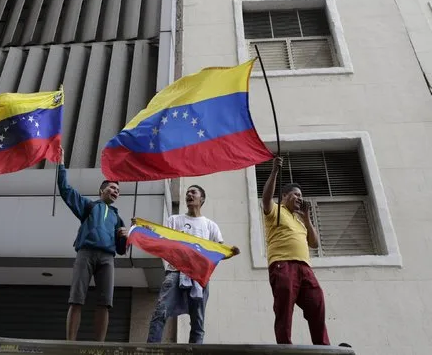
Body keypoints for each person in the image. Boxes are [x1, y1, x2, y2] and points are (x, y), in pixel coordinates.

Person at [146, 184, 240, 344]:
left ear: (202, 199)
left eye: (193, 192)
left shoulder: (211, 226)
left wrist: (230, 252)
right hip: (174, 272)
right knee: (160, 312)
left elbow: (217, 252)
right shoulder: (174, 220)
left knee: (198, 323)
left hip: (199, 277)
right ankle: (151, 349)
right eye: (187, 192)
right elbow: (162, 241)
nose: (189, 194)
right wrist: (145, 230)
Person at [57, 146, 128, 342]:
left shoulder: (117, 218)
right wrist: (61, 164)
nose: (115, 191)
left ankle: (100, 346)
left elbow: (121, 250)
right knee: (76, 298)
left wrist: (125, 237)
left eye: (118, 190)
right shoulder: (89, 206)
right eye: (112, 188)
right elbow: (66, 190)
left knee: (105, 302)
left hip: (107, 258)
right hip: (86, 253)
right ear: (102, 190)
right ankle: (70, 343)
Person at [262, 156, 330, 345]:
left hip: (305, 268)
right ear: (285, 196)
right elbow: (266, 198)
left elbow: (314, 243)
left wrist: (307, 219)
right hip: (283, 265)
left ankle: (322, 346)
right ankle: (285, 346)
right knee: (284, 308)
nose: (300, 198)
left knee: (317, 303)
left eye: (301, 195)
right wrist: (275, 170)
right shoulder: (276, 211)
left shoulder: (300, 221)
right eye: (296, 194)